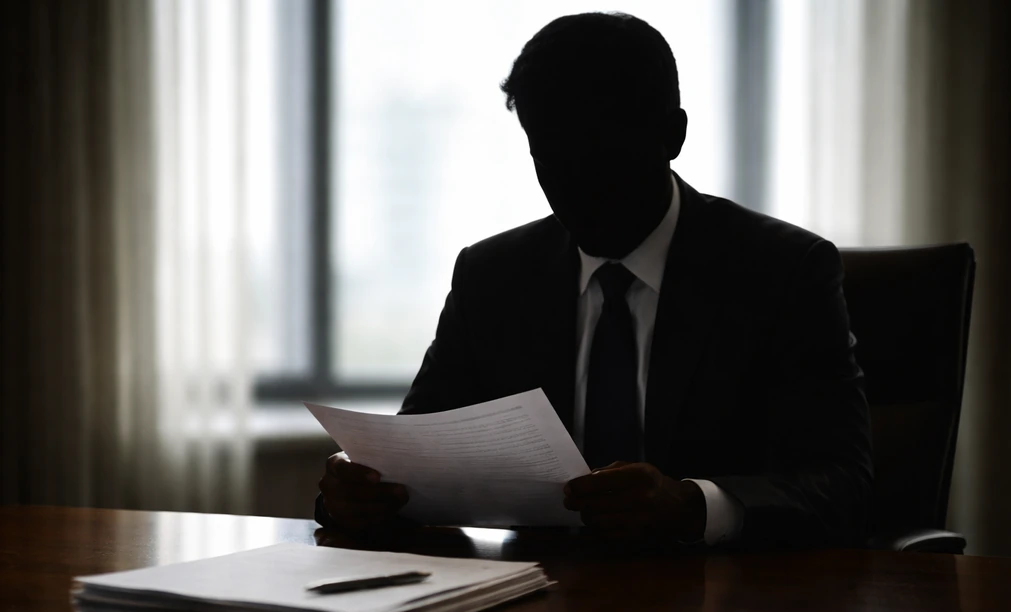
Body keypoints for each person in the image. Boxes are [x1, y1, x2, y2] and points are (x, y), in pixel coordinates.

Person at [316, 12, 872, 548]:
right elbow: (414, 455)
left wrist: (691, 506)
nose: (574, 185)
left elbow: (842, 483)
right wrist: (358, 493)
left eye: (601, 155)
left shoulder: (782, 272)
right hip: (534, 608)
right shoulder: (493, 277)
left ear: (673, 136)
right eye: (548, 157)